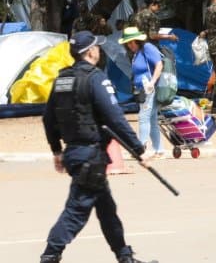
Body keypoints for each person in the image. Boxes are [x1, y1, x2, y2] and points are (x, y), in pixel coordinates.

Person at [41, 31, 155, 263]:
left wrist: (56, 150)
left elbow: (48, 118)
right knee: (76, 211)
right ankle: (50, 255)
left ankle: (125, 257)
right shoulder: (95, 78)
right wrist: (139, 149)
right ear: (90, 52)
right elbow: (115, 117)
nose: (99, 51)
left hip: (76, 152)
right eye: (97, 47)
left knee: (106, 210)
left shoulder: (62, 79)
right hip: (89, 155)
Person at [119, 27, 164, 159]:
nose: (130, 45)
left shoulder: (148, 48)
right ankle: (159, 150)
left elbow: (159, 64)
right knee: (152, 119)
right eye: (128, 43)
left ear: (138, 41)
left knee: (143, 117)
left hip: (149, 88)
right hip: (142, 89)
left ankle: (141, 149)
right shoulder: (137, 53)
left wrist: (152, 82)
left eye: (132, 42)